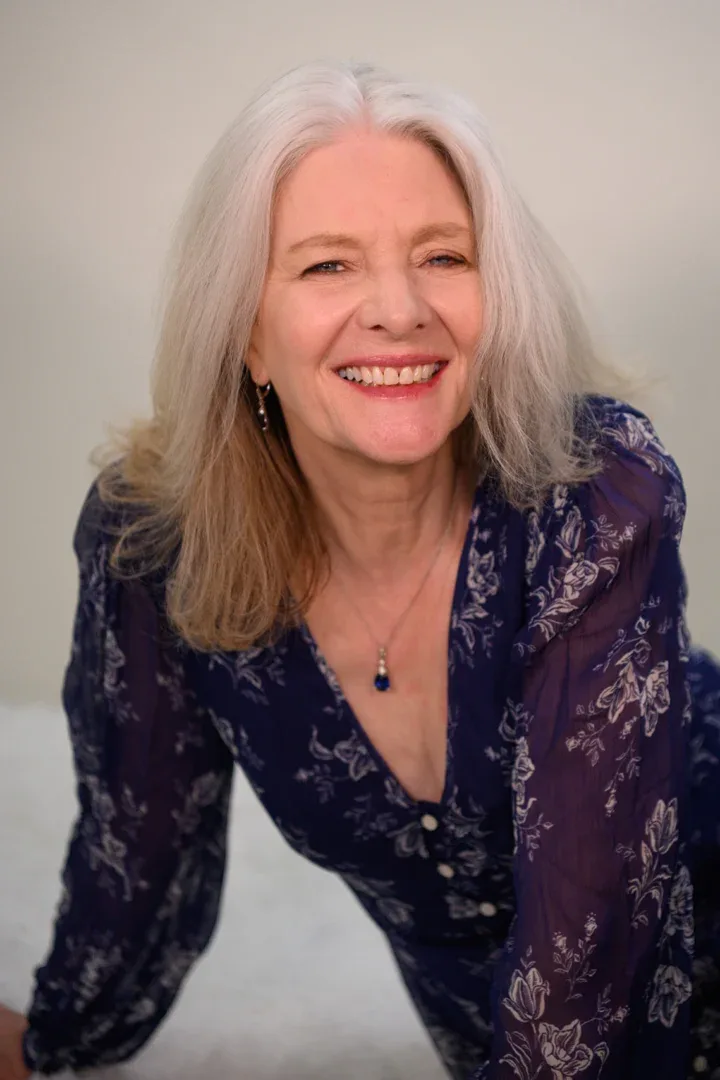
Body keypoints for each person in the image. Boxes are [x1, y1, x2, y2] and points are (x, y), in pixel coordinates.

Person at [1, 59, 719, 1080]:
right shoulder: (156, 543)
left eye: (444, 256)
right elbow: (139, 852)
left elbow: (590, 954)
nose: (398, 308)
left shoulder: (595, 493)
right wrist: (54, 1044)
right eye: (327, 265)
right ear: (246, 333)